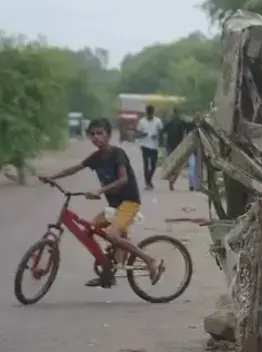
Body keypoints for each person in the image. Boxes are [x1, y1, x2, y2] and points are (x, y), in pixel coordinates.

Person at [38, 118, 162, 287]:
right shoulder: (96, 157)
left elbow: (123, 179)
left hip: (129, 203)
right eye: (93, 134)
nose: (96, 137)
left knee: (112, 235)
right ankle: (109, 268)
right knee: (90, 229)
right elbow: (74, 169)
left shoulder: (117, 154)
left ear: (108, 135)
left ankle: (150, 261)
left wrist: (99, 191)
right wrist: (51, 177)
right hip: (114, 207)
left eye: (100, 133)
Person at [136, 105, 164, 190]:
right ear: (146, 113)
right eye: (148, 114)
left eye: (151, 114)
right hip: (145, 145)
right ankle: (147, 182)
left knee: (153, 164)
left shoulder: (158, 121)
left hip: (154, 146)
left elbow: (161, 132)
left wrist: (157, 136)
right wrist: (142, 135)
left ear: (153, 113)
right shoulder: (142, 122)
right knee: (146, 164)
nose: (149, 115)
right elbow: (138, 134)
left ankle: (149, 179)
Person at [163, 108, 190, 191]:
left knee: (177, 165)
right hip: (170, 146)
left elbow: (189, 128)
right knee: (172, 165)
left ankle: (172, 180)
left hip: (178, 146)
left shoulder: (181, 122)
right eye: (176, 113)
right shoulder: (169, 122)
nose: (177, 115)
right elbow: (163, 131)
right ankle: (171, 181)